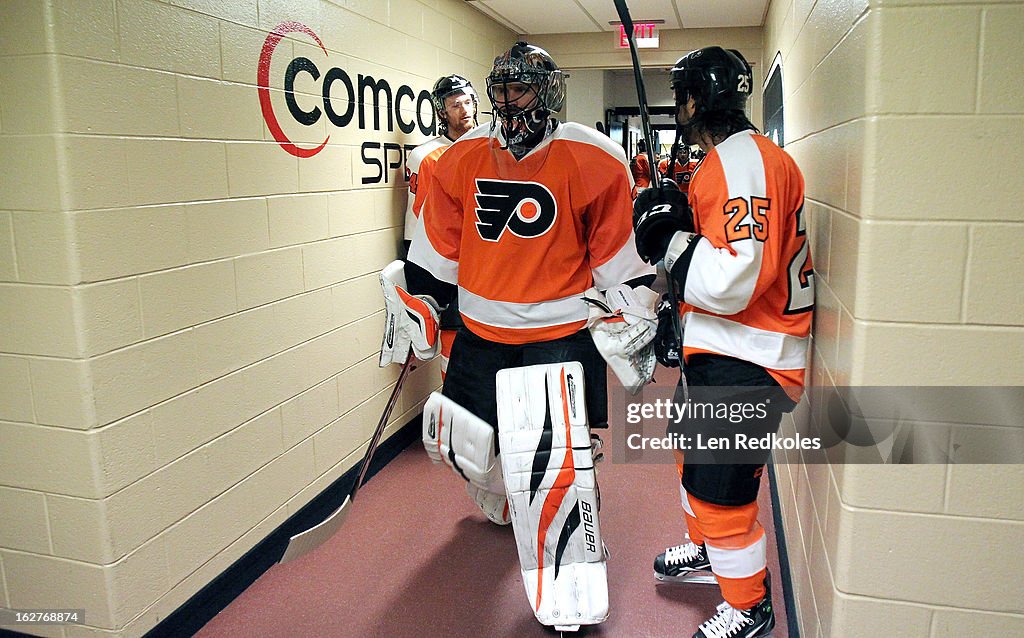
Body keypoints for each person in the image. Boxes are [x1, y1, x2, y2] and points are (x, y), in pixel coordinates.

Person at [392, 40, 657, 629]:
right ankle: (505, 497)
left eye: (522, 89)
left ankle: (573, 561)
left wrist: (633, 312)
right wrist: (420, 296)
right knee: (467, 448)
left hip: (559, 331)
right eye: (501, 91)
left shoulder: (596, 158)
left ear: (549, 91)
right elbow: (438, 246)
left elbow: (618, 256)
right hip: (482, 332)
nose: (509, 103)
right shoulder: (460, 158)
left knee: (560, 461)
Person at [632, 46, 813, 638]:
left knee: (722, 495)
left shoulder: (743, 163)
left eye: (680, 95)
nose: (677, 106)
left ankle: (749, 606)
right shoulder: (736, 159)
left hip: (750, 359)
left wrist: (669, 242)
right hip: (724, 350)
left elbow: (733, 280)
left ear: (693, 100)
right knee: (693, 463)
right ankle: (710, 553)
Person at [402, 74, 479, 378]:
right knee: (455, 329)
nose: (465, 110)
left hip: (489, 258)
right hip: (450, 263)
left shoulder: (494, 146)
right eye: (455, 104)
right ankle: (455, 403)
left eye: (468, 102)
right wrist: (421, 280)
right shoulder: (426, 156)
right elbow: (417, 222)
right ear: (442, 111)